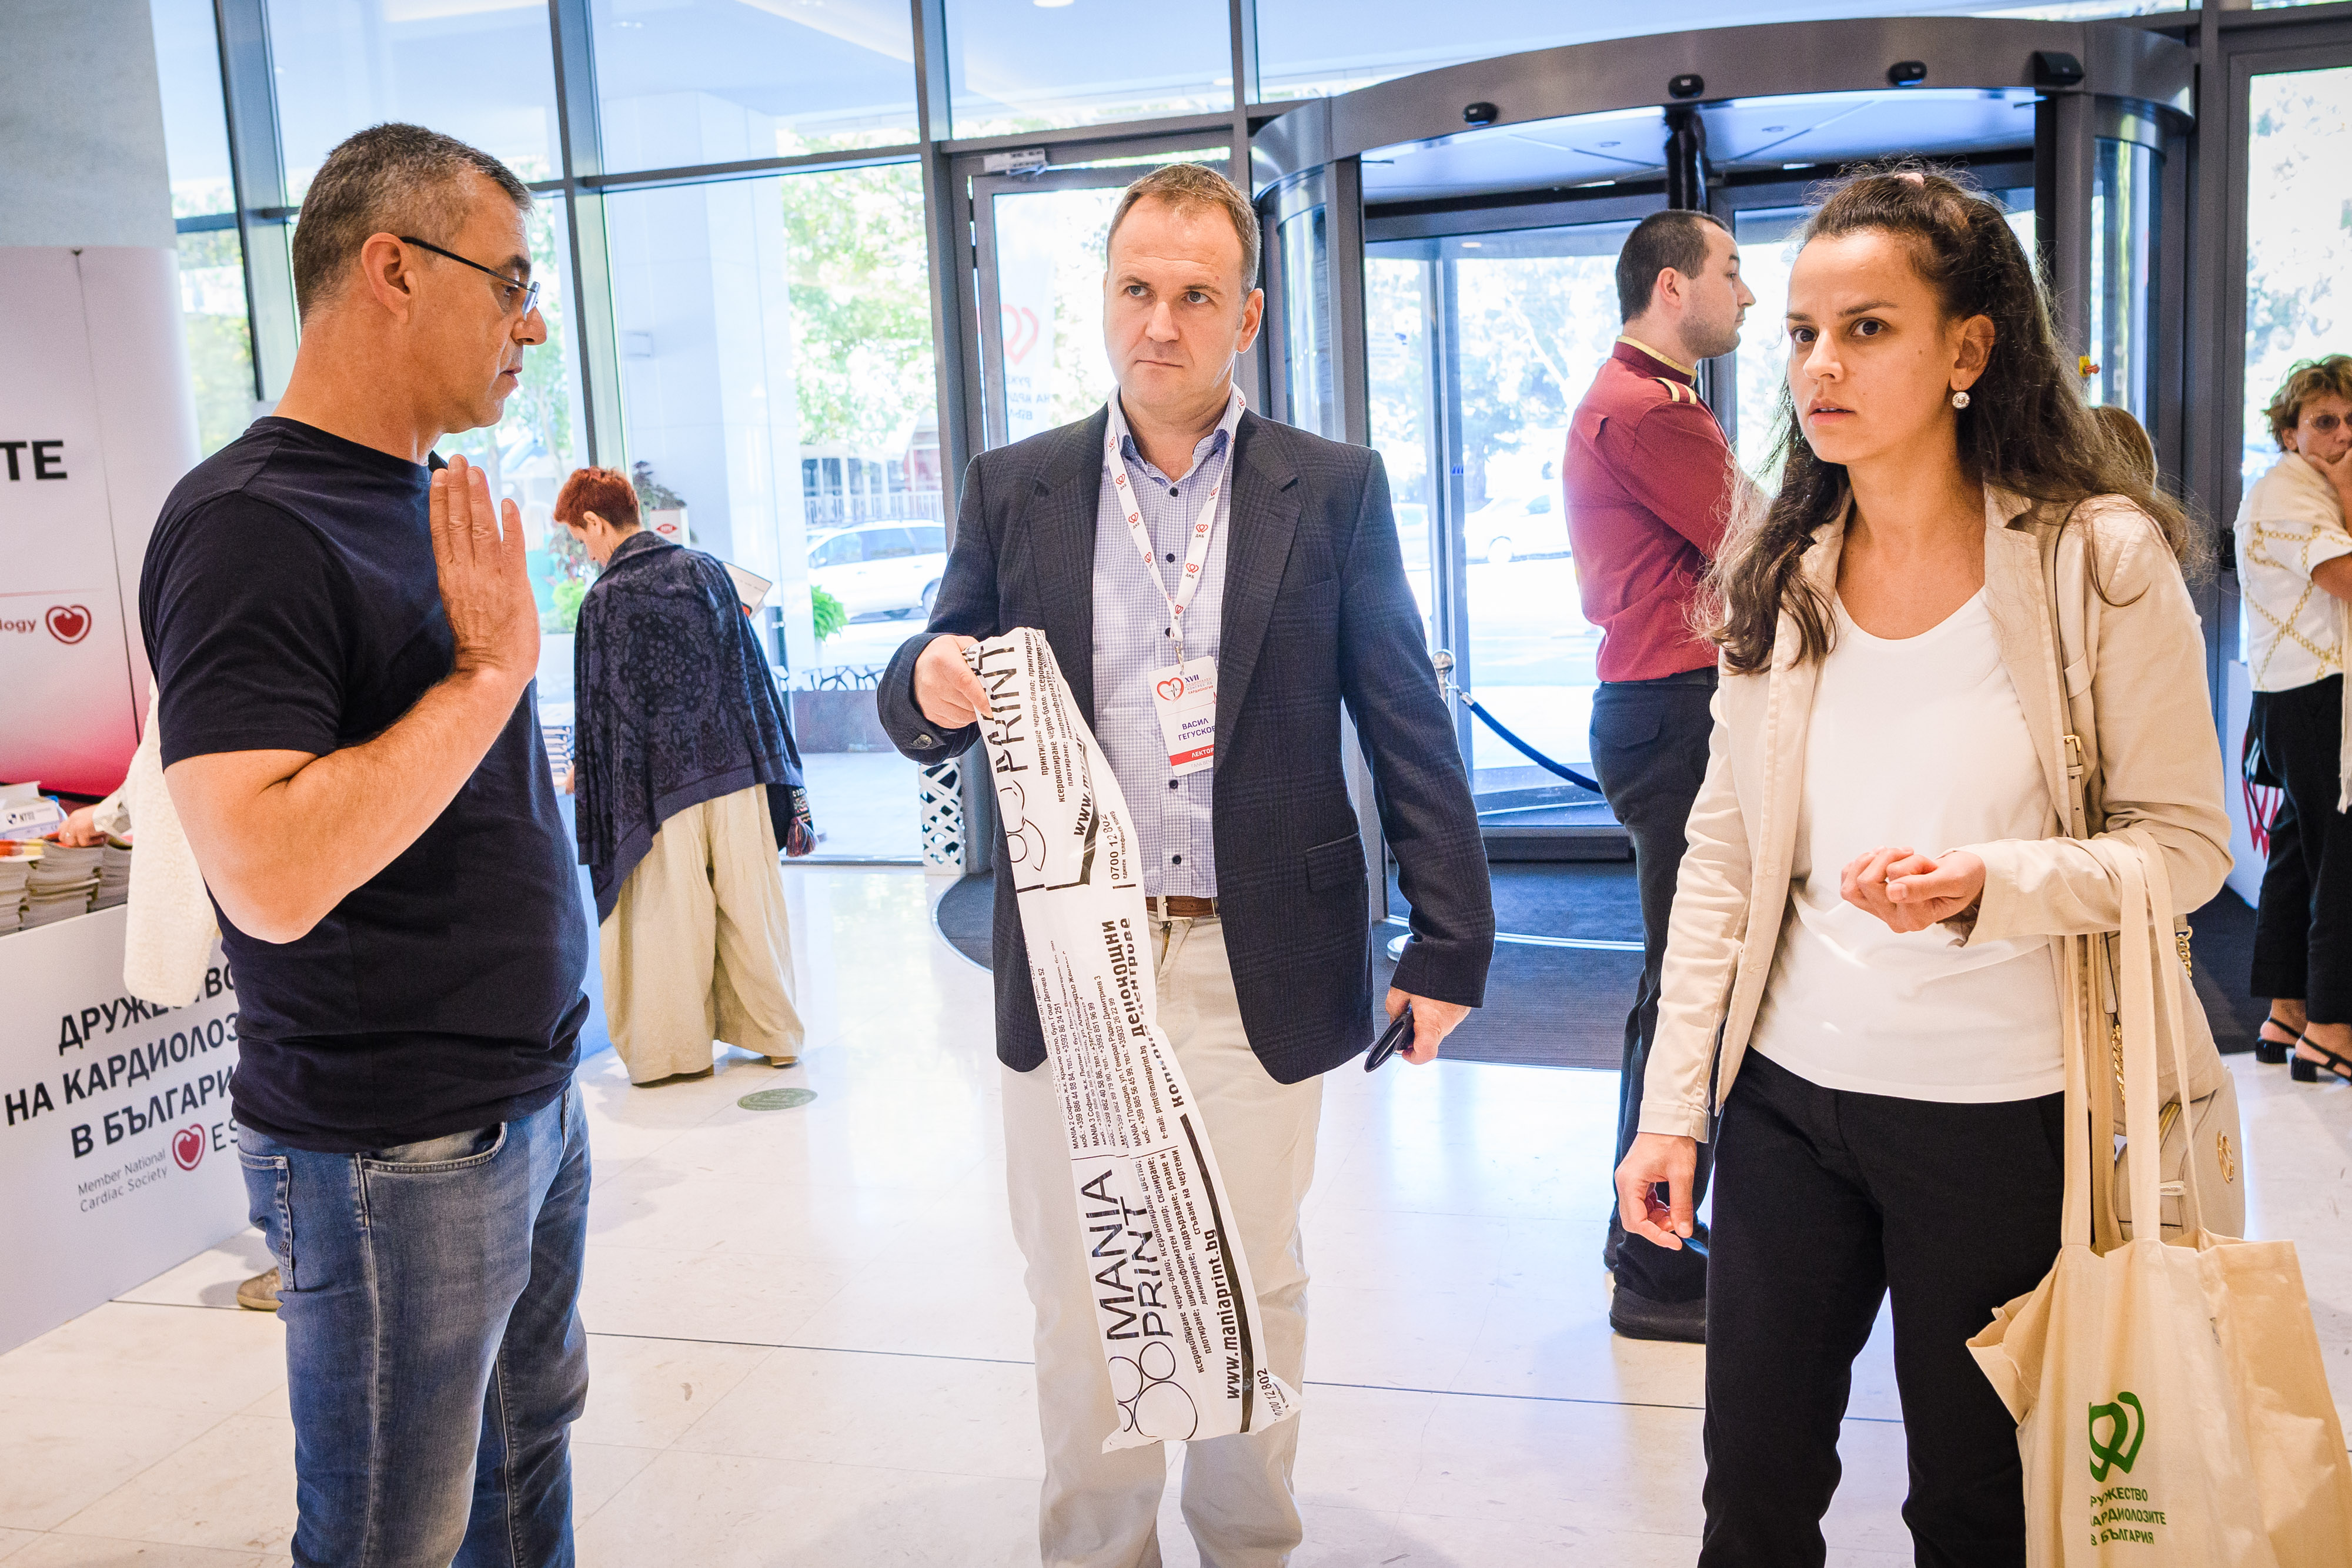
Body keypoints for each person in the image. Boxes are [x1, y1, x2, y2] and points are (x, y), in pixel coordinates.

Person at [880, 162, 1494, 1567]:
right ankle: (1099, 1551)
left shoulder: (1327, 489)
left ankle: (1245, 1545)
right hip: (1072, 965)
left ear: (1247, 316)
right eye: (1135, 290)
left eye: (1195, 296)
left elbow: (1401, 709)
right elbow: (930, 673)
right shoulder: (1017, 486)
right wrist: (925, 680)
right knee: (1080, 1293)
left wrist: (1449, 938)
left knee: (1247, 1279)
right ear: (1104, 298)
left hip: (1250, 947)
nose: (1159, 323)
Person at [1614, 168, 2228, 1564]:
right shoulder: (1780, 565)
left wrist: (1991, 884)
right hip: (1785, 1100)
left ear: (1968, 347)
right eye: (1800, 332)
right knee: (1748, 1490)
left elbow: (2185, 844)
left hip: (1997, 1115)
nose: (1819, 366)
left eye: (1867, 329)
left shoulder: (2096, 560)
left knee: (1974, 1505)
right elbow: (1722, 855)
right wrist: (1672, 1110)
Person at [142, 123, 592, 1567]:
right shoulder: (249, 525)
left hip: (523, 1102)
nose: (531, 324)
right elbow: (266, 876)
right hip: (394, 1148)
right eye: (512, 280)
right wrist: (489, 676)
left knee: (521, 1475)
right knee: (391, 1534)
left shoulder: (421, 491)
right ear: (393, 268)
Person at [1563, 205, 1756, 1343]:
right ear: (1671, 286)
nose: (1745, 292)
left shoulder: (1650, 400)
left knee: (1684, 981)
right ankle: (1652, 1255)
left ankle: (1649, 1233)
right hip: (1673, 711)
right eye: (1730, 269)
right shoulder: (1646, 409)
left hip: (1662, 709)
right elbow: (1761, 541)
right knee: (1689, 988)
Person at [557, 464, 813, 1085]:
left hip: (657, 788)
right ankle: (775, 1035)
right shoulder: (705, 570)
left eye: (578, 537)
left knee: (668, 920)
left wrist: (584, 772)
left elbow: (600, 705)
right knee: (751, 908)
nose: (583, 551)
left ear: (595, 522)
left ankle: (674, 1055)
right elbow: (749, 671)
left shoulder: (604, 600)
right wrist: (779, 769)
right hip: (736, 770)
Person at [2237, 354, 2352, 1082]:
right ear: (2289, 432)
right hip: (2318, 694)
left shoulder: (2294, 486)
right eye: (2325, 421)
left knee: (2297, 850)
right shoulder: (2294, 491)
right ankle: (2334, 1029)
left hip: (2294, 693)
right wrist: (2348, 490)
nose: (2343, 435)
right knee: (2341, 856)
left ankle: (2288, 1013)